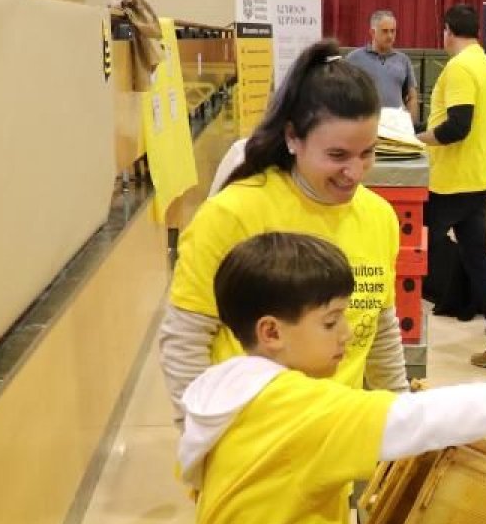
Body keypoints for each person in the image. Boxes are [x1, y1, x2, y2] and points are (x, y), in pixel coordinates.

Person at [180, 231, 486, 524]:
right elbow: (428, 417)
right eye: (330, 322)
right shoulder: (295, 409)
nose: (348, 334)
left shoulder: (228, 397)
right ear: (271, 332)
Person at [159, 40, 409, 428]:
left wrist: (404, 419)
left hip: (334, 439)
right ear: (293, 138)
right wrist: (201, 443)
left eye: (368, 153)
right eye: (338, 156)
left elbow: (379, 333)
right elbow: (186, 339)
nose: (356, 173)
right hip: (252, 442)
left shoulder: (378, 218)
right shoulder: (234, 213)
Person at [416, 4, 486, 371]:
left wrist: (415, 140)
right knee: (478, 260)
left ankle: (398, 335)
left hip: (451, 181)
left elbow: (456, 126)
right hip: (478, 177)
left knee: (409, 254)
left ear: (446, 30)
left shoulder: (460, 68)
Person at [345, 9, 419, 121]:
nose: (390, 36)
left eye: (393, 31)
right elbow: (343, 94)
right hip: (366, 125)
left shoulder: (403, 60)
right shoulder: (354, 58)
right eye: (385, 31)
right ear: (372, 32)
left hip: (396, 126)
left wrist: (410, 125)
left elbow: (412, 97)